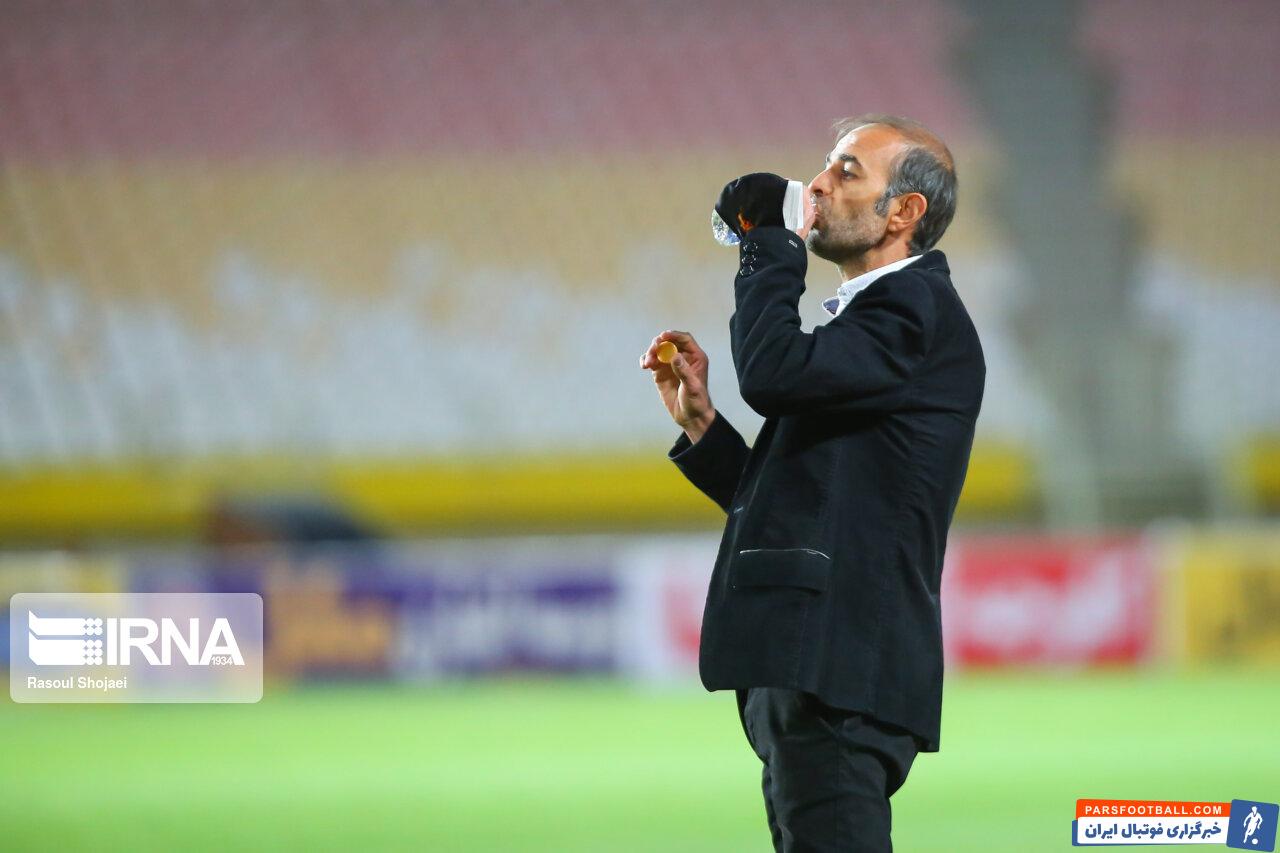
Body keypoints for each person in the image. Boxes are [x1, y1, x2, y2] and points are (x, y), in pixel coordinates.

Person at [639, 114, 985, 852]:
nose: (818, 184)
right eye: (825, 166)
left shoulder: (912, 309)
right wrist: (705, 430)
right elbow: (805, 502)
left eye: (847, 171)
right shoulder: (877, 328)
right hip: (824, 671)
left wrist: (770, 241)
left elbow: (771, 373)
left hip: (838, 671)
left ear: (904, 211)